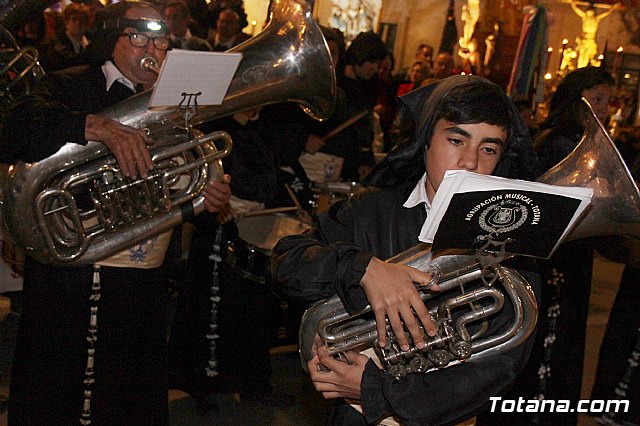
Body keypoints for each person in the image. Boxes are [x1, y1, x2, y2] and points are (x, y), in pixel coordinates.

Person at [0, 2, 231, 424]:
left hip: (141, 280)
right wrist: (95, 126)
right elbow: (13, 131)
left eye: (161, 40)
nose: (153, 49)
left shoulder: (179, 104)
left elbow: (182, 183)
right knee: (56, 389)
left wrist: (206, 201)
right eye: (138, 37)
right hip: (67, 275)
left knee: (128, 392)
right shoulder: (69, 83)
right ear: (112, 39)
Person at [269, 75, 544, 425]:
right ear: (426, 140)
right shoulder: (371, 211)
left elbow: (498, 368)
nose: (471, 161)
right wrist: (366, 269)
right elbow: (286, 262)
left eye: (488, 148)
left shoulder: (510, 241)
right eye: (456, 139)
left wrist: (377, 390)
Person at [480, 66, 615, 426]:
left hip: (571, 254)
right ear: (577, 97)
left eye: (608, 100)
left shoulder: (576, 137)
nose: (605, 107)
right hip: (555, 257)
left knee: (562, 342)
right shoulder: (558, 140)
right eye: (597, 98)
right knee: (545, 343)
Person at [39, 2, 93, 72]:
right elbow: (67, 63)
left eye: (82, 20)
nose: (78, 23)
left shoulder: (91, 42)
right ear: (66, 22)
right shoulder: (57, 45)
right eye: (74, 19)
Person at [570, 1, 621, 68]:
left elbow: (606, 14)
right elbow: (577, 10)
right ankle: (580, 68)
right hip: (584, 40)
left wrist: (612, 8)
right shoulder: (585, 17)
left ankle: (585, 67)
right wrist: (573, 4)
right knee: (582, 55)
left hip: (591, 40)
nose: (590, 13)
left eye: (591, 12)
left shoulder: (596, 19)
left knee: (589, 56)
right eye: (589, 12)